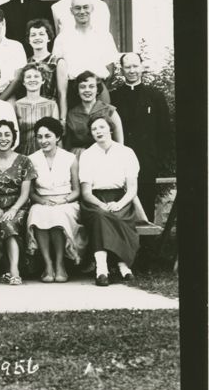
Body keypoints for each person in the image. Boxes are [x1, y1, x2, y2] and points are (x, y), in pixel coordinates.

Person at [79, 115, 142, 286]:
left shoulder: (126, 152)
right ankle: (102, 269)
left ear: (110, 129)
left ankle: (122, 265)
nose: (98, 131)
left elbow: (132, 189)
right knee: (101, 216)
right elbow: (86, 192)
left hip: (120, 198)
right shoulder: (87, 155)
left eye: (102, 127)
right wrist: (102, 204)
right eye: (94, 129)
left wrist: (119, 204)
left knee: (117, 216)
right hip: (95, 200)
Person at [111, 52, 174, 221]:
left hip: (147, 160)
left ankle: (147, 246)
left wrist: (158, 159)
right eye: (127, 67)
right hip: (120, 160)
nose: (132, 70)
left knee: (146, 204)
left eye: (135, 66)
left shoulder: (155, 96)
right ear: (122, 70)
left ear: (142, 67)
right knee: (120, 204)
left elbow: (164, 131)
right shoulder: (114, 96)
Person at [27, 117, 83, 283]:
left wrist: (63, 201)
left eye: (48, 136)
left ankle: (60, 264)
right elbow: (31, 193)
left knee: (58, 215)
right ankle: (48, 265)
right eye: (39, 137)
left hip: (66, 202)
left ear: (57, 137)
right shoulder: (31, 159)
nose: (43, 141)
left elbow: (77, 190)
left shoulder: (70, 158)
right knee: (38, 214)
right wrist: (42, 201)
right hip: (41, 201)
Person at [0, 120, 37, 285]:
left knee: (8, 223)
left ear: (14, 137)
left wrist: (13, 209)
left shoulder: (24, 160)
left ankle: (14, 270)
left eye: (7, 134)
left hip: (18, 206)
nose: (3, 138)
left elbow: (25, 192)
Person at [53, 0, 119, 115]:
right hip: (73, 91)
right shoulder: (62, 38)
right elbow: (58, 70)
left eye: (85, 7)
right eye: (77, 8)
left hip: (99, 89)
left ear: (92, 9)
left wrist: (99, 87)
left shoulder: (104, 35)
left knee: (103, 128)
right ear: (71, 11)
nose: (82, 11)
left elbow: (110, 68)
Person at [1, 19, 59, 103]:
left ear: (49, 38)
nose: (37, 38)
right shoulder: (25, 62)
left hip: (51, 107)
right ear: (29, 40)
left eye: (41, 34)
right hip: (28, 108)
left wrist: (62, 116)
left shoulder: (57, 62)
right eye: (33, 35)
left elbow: (62, 94)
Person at [64, 71, 124, 152]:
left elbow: (119, 143)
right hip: (80, 156)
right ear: (77, 91)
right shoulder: (71, 114)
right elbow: (68, 145)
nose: (87, 90)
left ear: (97, 89)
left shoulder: (110, 111)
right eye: (82, 87)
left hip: (105, 155)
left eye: (91, 86)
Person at [11, 63, 59, 155]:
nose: (32, 79)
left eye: (36, 76)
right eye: (28, 77)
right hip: (22, 153)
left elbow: (56, 135)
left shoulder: (52, 105)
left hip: (46, 152)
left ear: (43, 80)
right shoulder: (16, 105)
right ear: (23, 82)